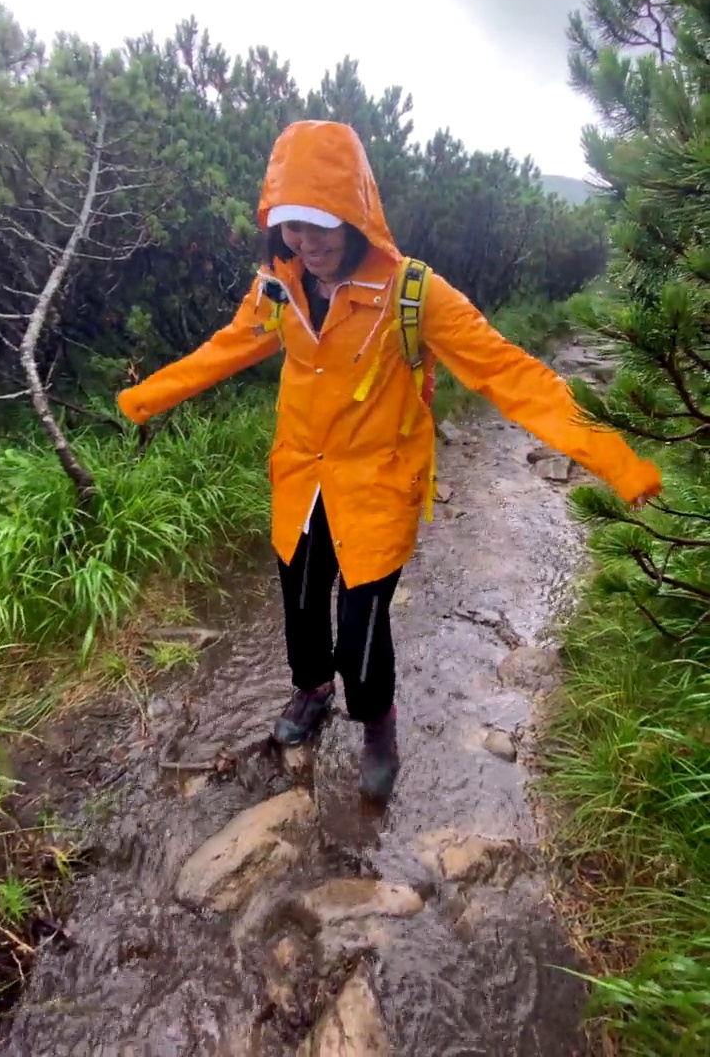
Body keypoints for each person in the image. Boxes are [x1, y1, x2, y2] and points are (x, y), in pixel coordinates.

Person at [117, 120, 662, 802]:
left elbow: (514, 376)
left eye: (320, 223)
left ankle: (377, 723)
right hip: (302, 477)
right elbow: (226, 348)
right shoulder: (278, 286)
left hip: (378, 484)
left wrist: (616, 459)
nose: (306, 243)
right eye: (290, 225)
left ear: (356, 215)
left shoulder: (414, 294)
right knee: (301, 603)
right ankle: (310, 692)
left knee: (363, 625)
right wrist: (146, 397)